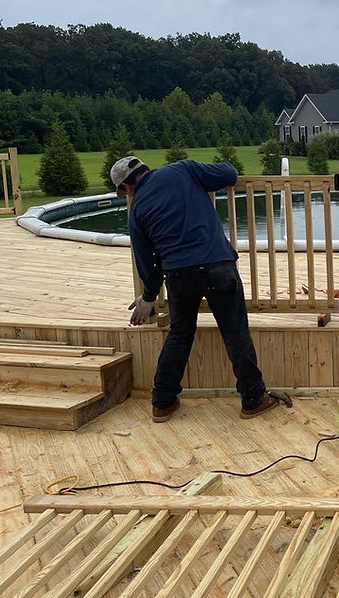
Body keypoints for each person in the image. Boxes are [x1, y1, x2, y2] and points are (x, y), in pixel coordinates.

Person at [112, 155, 282, 422]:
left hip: (178, 274)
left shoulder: (137, 210)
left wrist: (148, 296)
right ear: (144, 168)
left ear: (126, 187)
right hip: (217, 265)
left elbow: (146, 260)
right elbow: (229, 174)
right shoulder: (183, 169)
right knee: (235, 332)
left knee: (179, 334)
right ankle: (253, 400)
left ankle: (162, 402)